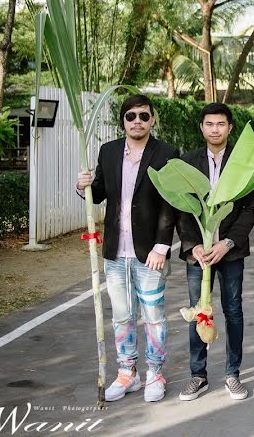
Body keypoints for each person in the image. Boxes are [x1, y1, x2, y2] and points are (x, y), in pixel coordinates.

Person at [74, 94, 178, 403]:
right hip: (116, 253)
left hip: (150, 254)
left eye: (143, 116)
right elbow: (100, 194)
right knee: (122, 316)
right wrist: (84, 186)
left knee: (154, 316)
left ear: (152, 120)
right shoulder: (108, 152)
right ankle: (127, 373)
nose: (137, 121)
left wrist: (162, 246)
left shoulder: (166, 153)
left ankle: (155, 373)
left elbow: (171, 202)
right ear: (123, 121)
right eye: (130, 116)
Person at [177, 103, 254, 402]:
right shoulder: (186, 162)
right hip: (198, 255)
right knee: (198, 310)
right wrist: (193, 245)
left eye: (221, 124)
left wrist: (227, 243)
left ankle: (232, 374)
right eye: (209, 124)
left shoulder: (243, 162)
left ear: (230, 128)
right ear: (202, 127)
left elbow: (250, 210)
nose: (215, 129)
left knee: (233, 311)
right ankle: (197, 375)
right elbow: (182, 211)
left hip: (230, 253)